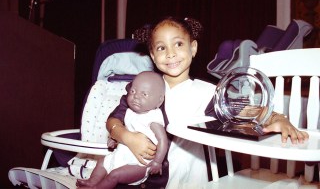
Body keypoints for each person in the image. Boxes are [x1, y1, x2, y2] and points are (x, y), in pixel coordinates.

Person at [97, 16, 309, 188]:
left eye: (178, 44)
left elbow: (245, 110)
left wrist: (277, 118)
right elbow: (114, 120)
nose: (171, 53)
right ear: (152, 55)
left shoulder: (206, 93)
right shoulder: (144, 86)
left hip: (185, 180)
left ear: (193, 48)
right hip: (136, 176)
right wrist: (126, 136)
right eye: (161, 48)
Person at [76, 71, 168, 189]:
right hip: (120, 155)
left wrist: (157, 162)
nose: (136, 96)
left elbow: (163, 141)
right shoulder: (129, 112)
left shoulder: (152, 119)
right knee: (102, 162)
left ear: (159, 101)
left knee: (115, 175)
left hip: (139, 164)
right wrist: (115, 139)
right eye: (133, 91)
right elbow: (123, 129)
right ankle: (92, 181)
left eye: (144, 94)